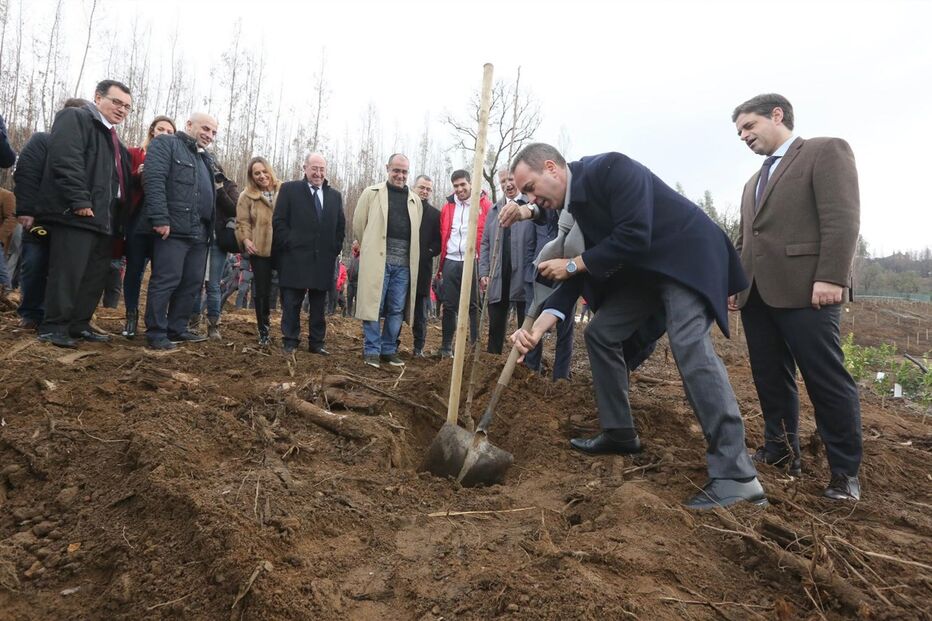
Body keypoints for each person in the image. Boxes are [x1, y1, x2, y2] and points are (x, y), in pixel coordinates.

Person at [503, 143, 765, 510]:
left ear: (552, 168)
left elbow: (634, 235)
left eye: (530, 188)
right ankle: (619, 432)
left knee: (689, 345)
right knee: (601, 333)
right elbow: (572, 282)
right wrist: (535, 332)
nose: (530, 199)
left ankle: (738, 476)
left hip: (686, 258)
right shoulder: (575, 209)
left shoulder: (611, 169)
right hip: (648, 274)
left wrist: (575, 264)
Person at [730, 94, 862, 501]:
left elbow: (842, 217)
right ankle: (782, 451)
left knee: (825, 380)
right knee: (771, 378)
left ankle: (844, 474)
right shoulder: (754, 181)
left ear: (777, 115)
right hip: (758, 296)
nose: (744, 137)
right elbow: (747, 239)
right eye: (739, 133)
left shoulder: (824, 151)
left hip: (809, 291)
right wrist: (737, 283)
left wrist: (831, 276)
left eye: (749, 127)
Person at [35, 80, 133, 348]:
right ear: (98, 97)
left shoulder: (115, 141)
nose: (122, 109)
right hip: (77, 213)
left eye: (127, 106)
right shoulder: (76, 118)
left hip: (105, 219)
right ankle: (54, 325)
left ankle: (79, 323)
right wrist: (79, 199)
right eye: (116, 102)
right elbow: (65, 159)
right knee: (68, 272)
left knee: (94, 276)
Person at [141, 112, 219, 350]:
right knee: (166, 280)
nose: (209, 135)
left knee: (191, 283)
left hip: (200, 232)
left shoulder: (206, 159)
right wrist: (160, 218)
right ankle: (156, 332)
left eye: (214, 132)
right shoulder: (166, 144)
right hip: (173, 228)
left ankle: (177, 328)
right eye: (205, 128)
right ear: (189, 125)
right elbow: (153, 180)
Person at [11, 99, 89, 330]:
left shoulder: (85, 149)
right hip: (41, 218)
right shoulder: (42, 141)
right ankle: (31, 312)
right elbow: (26, 174)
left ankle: (55, 315)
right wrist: (25, 210)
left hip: (72, 220)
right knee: (34, 264)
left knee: (62, 272)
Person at [353, 154, 422, 368]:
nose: (400, 175)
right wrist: (371, 249)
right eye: (396, 170)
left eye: (404, 172)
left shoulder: (415, 200)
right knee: (374, 305)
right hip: (378, 261)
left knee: (396, 309)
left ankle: (388, 349)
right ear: (388, 169)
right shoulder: (371, 194)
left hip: (403, 264)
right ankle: (371, 350)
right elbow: (358, 224)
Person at [272, 152, 344, 355]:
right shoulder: (289, 189)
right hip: (294, 258)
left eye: (322, 169)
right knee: (291, 303)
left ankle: (317, 342)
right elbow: (279, 221)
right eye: (314, 168)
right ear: (305, 168)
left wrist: (333, 249)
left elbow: (340, 227)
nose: (318, 173)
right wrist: (289, 243)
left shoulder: (334, 196)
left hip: (322, 260)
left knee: (319, 305)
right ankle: (290, 340)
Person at [121, 115, 176, 338]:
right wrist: (139, 174)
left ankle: (155, 319)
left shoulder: (175, 159)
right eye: (160, 129)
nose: (164, 133)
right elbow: (122, 181)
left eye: (170, 131)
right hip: (138, 221)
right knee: (134, 271)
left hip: (162, 224)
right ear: (152, 130)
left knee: (160, 275)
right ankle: (131, 316)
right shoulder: (135, 153)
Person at [437, 169, 491, 357]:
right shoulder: (448, 207)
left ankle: (474, 347)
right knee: (449, 305)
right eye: (456, 186)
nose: (459, 189)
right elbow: (444, 233)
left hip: (474, 261)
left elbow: (488, 238)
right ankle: (445, 347)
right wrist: (442, 266)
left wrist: (486, 267)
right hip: (451, 260)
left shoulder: (485, 205)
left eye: (463, 185)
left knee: (473, 306)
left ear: (471, 184)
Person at [479, 169, 534, 354]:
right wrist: (484, 272)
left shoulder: (531, 207)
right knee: (495, 324)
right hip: (498, 275)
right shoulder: (494, 210)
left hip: (524, 275)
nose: (507, 184)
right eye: (503, 181)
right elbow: (485, 242)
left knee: (526, 323)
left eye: (511, 179)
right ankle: (493, 360)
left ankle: (528, 365)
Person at [191, 161, 240, 339]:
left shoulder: (228, 184)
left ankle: (213, 326)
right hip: (199, 237)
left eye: (216, 169)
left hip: (219, 241)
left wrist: (219, 189)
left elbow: (235, 209)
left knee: (213, 285)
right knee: (195, 282)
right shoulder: (198, 180)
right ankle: (193, 323)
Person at [235, 156, 280, 346]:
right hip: (259, 249)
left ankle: (290, 331)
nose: (262, 176)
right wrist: (246, 239)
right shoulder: (247, 196)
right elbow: (242, 222)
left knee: (286, 289)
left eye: (264, 171)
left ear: (269, 170)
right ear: (252, 177)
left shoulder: (284, 190)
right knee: (261, 291)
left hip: (282, 248)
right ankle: (264, 330)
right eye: (257, 173)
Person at [411, 175, 441, 357]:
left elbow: (439, 242)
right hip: (402, 269)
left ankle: (418, 347)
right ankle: (391, 345)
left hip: (423, 270)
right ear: (414, 187)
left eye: (428, 189)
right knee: (396, 308)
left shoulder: (435, 214)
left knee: (421, 313)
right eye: (421, 187)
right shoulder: (405, 209)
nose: (424, 191)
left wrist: (428, 252)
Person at [344, 240, 360, 317]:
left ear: (358, 245)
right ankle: (348, 314)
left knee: (357, 299)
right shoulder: (352, 255)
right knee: (349, 298)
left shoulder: (362, 255)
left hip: (357, 282)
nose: (352, 245)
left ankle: (355, 315)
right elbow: (349, 266)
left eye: (354, 244)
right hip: (350, 281)